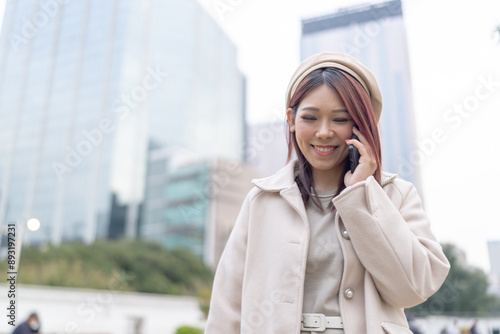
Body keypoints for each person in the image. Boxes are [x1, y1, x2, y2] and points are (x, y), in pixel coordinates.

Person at [205, 52, 450, 333]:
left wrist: (360, 195)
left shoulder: (396, 195)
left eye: (340, 119)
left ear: (361, 125)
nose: (323, 132)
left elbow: (414, 289)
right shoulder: (262, 200)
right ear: (291, 119)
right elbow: (227, 306)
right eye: (310, 117)